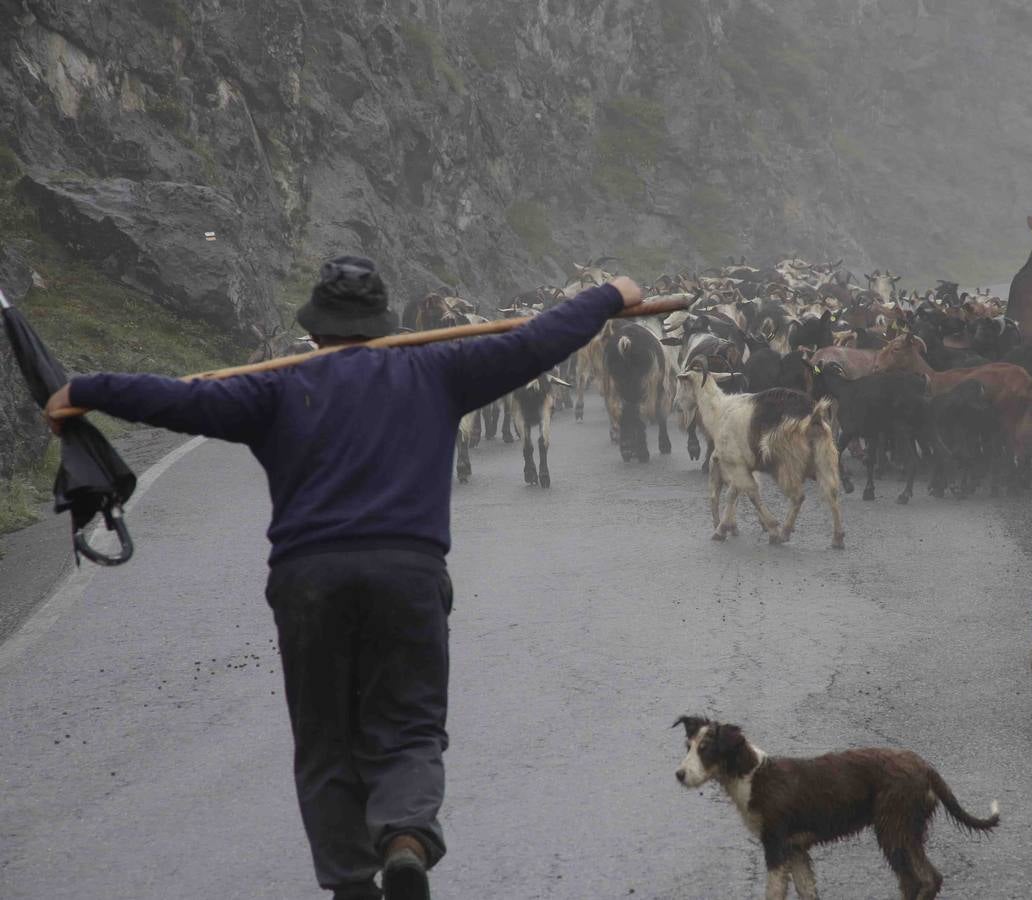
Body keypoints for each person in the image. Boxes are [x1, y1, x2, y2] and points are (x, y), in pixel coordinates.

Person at [44, 256, 643, 900]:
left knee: (326, 738)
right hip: (407, 574)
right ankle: (407, 839)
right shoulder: (441, 370)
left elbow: (176, 398)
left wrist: (85, 389)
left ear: (315, 328)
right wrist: (611, 292)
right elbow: (536, 340)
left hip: (309, 581)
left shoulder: (270, 388)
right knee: (410, 723)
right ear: (383, 321)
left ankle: (351, 882)